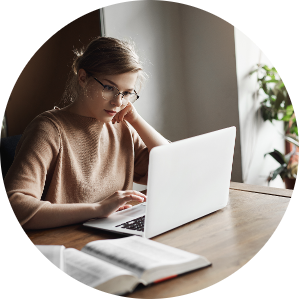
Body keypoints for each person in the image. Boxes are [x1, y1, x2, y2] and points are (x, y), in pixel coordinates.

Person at [4, 36, 169, 230]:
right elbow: (15, 205)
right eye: (109, 88)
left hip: (115, 237)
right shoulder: (49, 129)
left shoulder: (122, 126)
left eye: (126, 93)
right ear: (83, 78)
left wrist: (136, 120)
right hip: (67, 242)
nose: (118, 102)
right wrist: (97, 209)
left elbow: (173, 168)